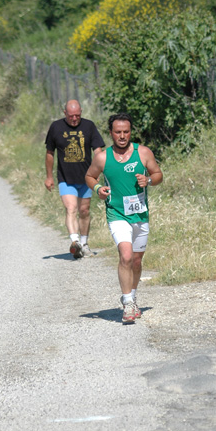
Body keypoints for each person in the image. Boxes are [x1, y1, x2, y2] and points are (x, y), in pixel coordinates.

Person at [85, 113, 163, 323]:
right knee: (126, 256)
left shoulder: (143, 152)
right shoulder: (103, 157)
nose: (122, 136)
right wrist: (99, 188)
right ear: (111, 133)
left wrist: (148, 179)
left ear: (130, 132)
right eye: (118, 132)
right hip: (117, 213)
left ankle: (132, 296)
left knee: (137, 261)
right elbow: (89, 176)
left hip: (140, 214)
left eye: (126, 132)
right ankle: (128, 304)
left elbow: (158, 175)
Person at [45, 100, 104, 259]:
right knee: (71, 208)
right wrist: (49, 176)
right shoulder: (56, 127)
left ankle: (84, 244)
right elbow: (50, 153)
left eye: (78, 115)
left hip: (86, 178)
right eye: (71, 116)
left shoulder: (89, 126)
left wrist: (97, 170)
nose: (74, 119)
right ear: (64, 113)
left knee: (84, 211)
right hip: (65, 177)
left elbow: (98, 150)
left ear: (81, 112)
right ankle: (75, 242)